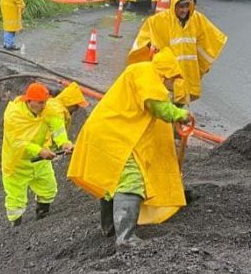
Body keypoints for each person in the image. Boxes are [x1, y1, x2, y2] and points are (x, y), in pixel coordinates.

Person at [67, 47, 190, 249]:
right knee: (131, 180)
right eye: (172, 79)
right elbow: (158, 107)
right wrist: (180, 115)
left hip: (108, 132)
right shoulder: (148, 74)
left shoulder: (140, 73)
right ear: (166, 72)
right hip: (115, 136)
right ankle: (125, 237)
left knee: (113, 180)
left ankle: (110, 228)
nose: (170, 86)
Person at [127, 0, 227, 106]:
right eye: (181, 7)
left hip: (187, 73)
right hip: (170, 76)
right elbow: (146, 35)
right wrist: (150, 47)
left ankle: (176, 123)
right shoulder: (162, 20)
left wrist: (204, 65)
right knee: (167, 108)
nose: (184, 10)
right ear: (174, 6)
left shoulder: (196, 20)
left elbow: (208, 39)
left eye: (186, 6)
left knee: (179, 106)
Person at [1, 81, 73, 226]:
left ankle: (42, 218)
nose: (43, 106)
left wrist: (64, 142)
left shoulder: (47, 109)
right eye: (40, 103)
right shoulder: (14, 115)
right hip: (17, 163)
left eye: (45, 102)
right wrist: (39, 150)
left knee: (48, 189)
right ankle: (15, 227)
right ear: (29, 101)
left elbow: (57, 127)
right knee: (16, 200)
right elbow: (18, 142)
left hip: (39, 161)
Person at [43, 81, 89, 150]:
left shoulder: (53, 103)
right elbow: (58, 131)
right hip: (42, 148)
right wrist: (65, 144)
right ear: (70, 103)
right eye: (76, 106)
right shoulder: (57, 111)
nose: (76, 109)